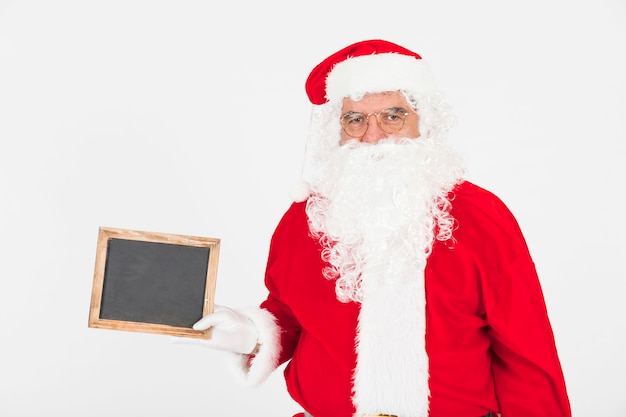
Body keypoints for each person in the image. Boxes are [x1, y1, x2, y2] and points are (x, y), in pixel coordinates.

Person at [182, 39, 572, 417]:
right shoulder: (307, 218)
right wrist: (249, 333)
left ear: (424, 121)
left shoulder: (480, 215)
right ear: (338, 129)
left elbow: (526, 349)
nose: (373, 135)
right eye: (355, 119)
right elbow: (289, 312)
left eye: (393, 115)